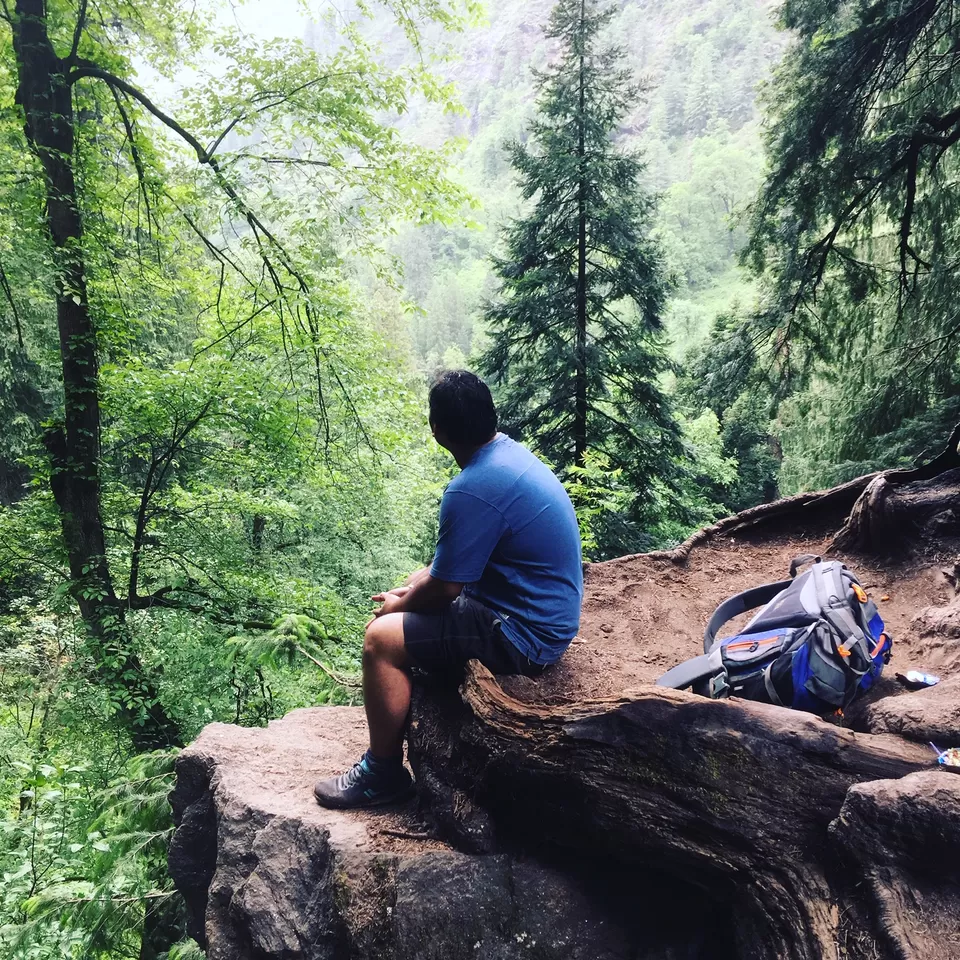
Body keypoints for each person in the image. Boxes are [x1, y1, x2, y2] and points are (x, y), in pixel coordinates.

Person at [314, 370, 583, 809]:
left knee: (380, 640)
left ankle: (382, 775)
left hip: (524, 635)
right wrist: (410, 590)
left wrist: (397, 608)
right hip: (538, 612)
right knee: (413, 580)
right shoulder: (507, 457)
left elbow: (444, 589)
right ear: (490, 416)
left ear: (436, 429)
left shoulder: (472, 488)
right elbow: (446, 571)